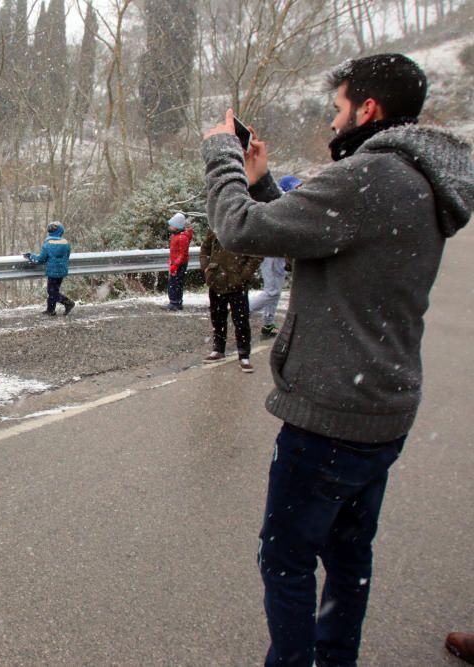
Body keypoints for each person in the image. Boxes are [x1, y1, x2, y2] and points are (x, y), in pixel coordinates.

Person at [201, 53, 474, 666]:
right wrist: (265, 181)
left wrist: (222, 155)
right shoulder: (420, 179)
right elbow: (326, 243)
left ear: (368, 109)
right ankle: (336, 657)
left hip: (330, 415)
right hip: (383, 407)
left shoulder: (371, 175)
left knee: (286, 557)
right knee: (349, 555)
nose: (332, 123)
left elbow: (240, 229)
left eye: (338, 109)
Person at [199, 229, 261, 372]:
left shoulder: (245, 228)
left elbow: (256, 256)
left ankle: (244, 355)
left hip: (237, 284)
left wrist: (243, 276)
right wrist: (206, 267)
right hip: (216, 281)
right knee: (217, 317)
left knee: (241, 320)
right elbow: (205, 248)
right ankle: (218, 349)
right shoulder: (216, 226)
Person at [249, 175, 300, 337]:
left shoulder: (290, 205)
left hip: (279, 254)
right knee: (271, 291)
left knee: (274, 291)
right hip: (271, 253)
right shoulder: (281, 205)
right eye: (296, 187)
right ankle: (242, 312)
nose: (300, 189)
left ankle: (268, 324)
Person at [24, 221, 74, 316]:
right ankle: (51, 310)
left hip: (52, 272)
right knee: (54, 290)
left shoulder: (48, 244)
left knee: (52, 292)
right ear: (61, 231)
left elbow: (40, 259)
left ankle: (68, 303)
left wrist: (30, 256)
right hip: (62, 271)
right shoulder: (66, 243)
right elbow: (67, 256)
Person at [163, 212, 193, 311]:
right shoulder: (177, 236)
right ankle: (175, 302)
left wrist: (176, 264)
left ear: (177, 227)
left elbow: (182, 254)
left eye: (171, 225)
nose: (169, 227)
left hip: (179, 265)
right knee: (175, 283)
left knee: (174, 283)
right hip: (176, 263)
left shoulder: (182, 238)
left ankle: (175, 303)